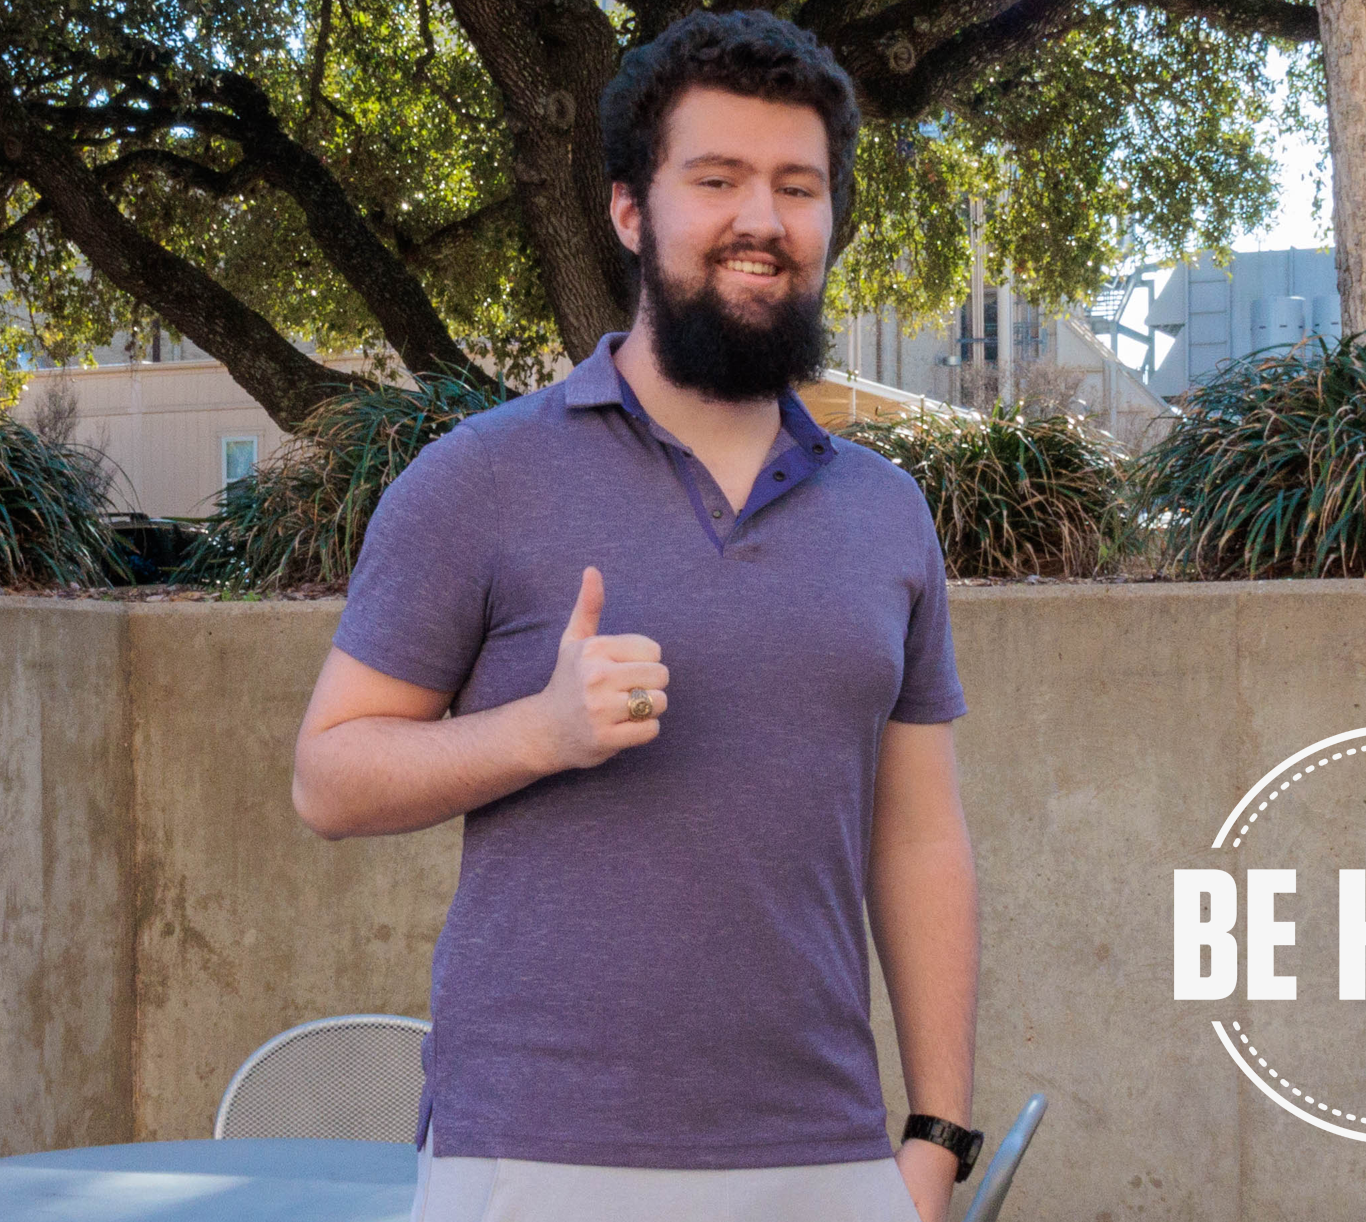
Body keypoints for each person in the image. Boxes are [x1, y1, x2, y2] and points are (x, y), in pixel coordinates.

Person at [291, 11, 980, 1221]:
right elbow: (327, 779)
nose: (760, 219)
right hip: (536, 1153)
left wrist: (933, 1135)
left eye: (796, 185)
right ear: (628, 209)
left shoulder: (886, 515)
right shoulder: (477, 479)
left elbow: (918, 836)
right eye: (714, 179)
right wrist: (535, 732)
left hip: (823, 1156)